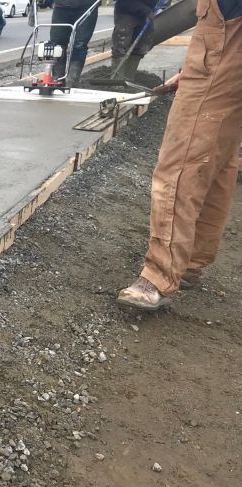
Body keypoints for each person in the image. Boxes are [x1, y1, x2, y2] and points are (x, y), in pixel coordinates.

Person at [117, 0, 242, 310]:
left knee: (180, 164)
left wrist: (208, 68)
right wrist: (193, 69)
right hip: (226, 52)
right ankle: (191, 261)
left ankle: (159, 275)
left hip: (224, 52)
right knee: (219, 159)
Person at [49, 0, 99, 86]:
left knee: (80, 44)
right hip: (61, 6)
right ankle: (57, 79)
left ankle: (72, 80)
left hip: (88, 6)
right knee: (57, 44)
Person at [111, 0, 157, 80]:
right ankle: (117, 80)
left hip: (145, 13)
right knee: (121, 45)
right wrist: (146, 11)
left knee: (139, 47)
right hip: (127, 11)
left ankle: (128, 78)